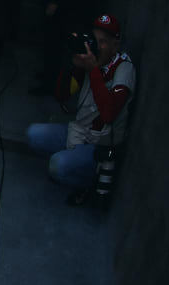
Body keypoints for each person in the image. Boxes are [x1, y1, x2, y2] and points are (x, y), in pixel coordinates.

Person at [27, 14, 135, 193]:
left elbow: (108, 114)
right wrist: (73, 65)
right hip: (77, 132)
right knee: (33, 134)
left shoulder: (124, 69)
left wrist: (93, 71)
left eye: (103, 42)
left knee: (57, 166)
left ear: (115, 45)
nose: (97, 47)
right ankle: (73, 161)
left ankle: (90, 181)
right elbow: (62, 95)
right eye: (95, 40)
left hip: (99, 145)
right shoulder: (91, 60)